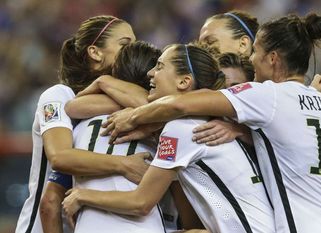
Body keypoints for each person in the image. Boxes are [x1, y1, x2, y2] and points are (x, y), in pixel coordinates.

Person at [99, 13, 321, 233]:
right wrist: (242, 130)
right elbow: (289, 139)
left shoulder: (267, 95)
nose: (251, 59)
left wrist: (133, 116)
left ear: (273, 59)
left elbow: (181, 103)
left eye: (256, 52)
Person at [62, 44, 275, 233]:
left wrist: (81, 196)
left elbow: (141, 202)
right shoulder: (200, 122)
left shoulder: (180, 129)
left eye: (160, 67)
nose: (151, 73)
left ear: (184, 81)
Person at [15, 15, 150, 233]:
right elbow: (60, 159)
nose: (133, 51)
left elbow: (151, 104)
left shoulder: (122, 99)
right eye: (125, 44)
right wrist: (124, 165)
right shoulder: (59, 96)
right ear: (95, 52)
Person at [69, 40, 170, 233]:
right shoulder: (167, 127)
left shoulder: (80, 124)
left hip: (90, 226)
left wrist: (105, 83)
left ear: (115, 72)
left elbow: (71, 107)